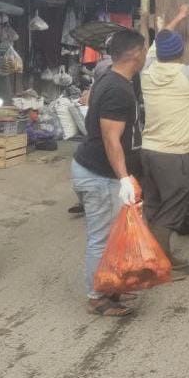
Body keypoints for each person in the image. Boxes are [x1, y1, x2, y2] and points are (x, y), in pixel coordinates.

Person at [71, 28, 147, 318]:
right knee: (101, 238)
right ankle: (98, 297)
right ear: (136, 53)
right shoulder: (117, 88)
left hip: (98, 171)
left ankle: (111, 285)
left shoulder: (113, 79)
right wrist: (123, 177)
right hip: (99, 174)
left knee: (113, 235)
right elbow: (110, 138)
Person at [139, 4, 189, 276]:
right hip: (173, 154)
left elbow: (160, 41)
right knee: (172, 208)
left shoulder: (147, 71)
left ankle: (156, 258)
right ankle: (157, 265)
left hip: (149, 151)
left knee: (155, 205)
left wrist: (178, 17)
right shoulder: (188, 75)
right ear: (181, 54)